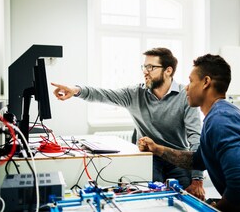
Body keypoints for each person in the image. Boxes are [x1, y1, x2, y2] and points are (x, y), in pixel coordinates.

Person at [138, 54, 240, 211]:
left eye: (191, 81)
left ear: (206, 82)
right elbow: (197, 160)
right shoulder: (218, 115)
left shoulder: (221, 120)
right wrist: (158, 149)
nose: (186, 87)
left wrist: (216, 208)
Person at [51, 47, 205, 200]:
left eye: (151, 67)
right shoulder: (135, 94)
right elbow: (104, 94)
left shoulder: (187, 96)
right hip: (149, 158)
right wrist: (76, 90)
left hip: (177, 158)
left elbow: (195, 138)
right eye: (144, 67)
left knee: (186, 199)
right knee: (152, 199)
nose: (145, 71)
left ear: (168, 71)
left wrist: (197, 179)